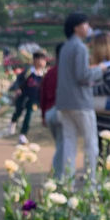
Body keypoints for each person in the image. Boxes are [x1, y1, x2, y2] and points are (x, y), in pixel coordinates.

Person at [55, 12, 105, 183]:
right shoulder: (80, 48)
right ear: (77, 27)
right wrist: (100, 70)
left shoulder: (65, 47)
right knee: (91, 143)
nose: (88, 27)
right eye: (85, 24)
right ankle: (91, 182)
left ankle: (67, 182)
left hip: (64, 102)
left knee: (69, 143)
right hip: (81, 103)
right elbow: (82, 75)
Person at [91, 32, 110, 159]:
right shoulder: (106, 65)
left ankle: (101, 177)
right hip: (101, 116)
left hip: (104, 117)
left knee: (102, 152)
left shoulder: (108, 66)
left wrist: (91, 90)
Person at [8, 50, 47, 144]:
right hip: (23, 96)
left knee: (29, 115)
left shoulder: (44, 74)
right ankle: (13, 121)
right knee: (18, 111)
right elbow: (18, 81)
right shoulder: (28, 72)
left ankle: (23, 134)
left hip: (34, 99)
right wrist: (18, 89)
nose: (42, 62)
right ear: (34, 60)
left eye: (43, 60)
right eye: (40, 60)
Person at [40, 44, 63, 175]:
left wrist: (43, 115)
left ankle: (56, 173)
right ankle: (57, 175)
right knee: (62, 146)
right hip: (60, 112)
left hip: (49, 113)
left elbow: (42, 95)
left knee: (60, 145)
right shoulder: (66, 73)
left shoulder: (50, 72)